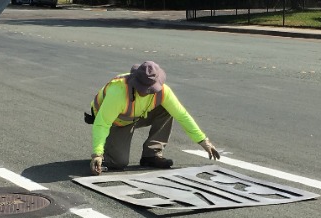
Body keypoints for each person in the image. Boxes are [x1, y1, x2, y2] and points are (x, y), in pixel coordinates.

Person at [84, 61, 220, 175]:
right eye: (142, 88)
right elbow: (102, 123)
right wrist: (97, 154)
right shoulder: (118, 92)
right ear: (135, 82)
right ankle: (108, 151)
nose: (146, 92)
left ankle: (151, 154)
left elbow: (182, 115)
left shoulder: (163, 91)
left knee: (167, 109)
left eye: (150, 88)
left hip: (136, 116)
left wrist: (203, 140)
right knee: (118, 163)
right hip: (116, 122)